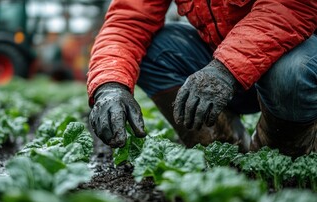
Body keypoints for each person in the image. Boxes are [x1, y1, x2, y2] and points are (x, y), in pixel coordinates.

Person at [87, 0, 317, 158]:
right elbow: (128, 22)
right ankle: (226, 158)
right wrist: (109, 85)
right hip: (223, 65)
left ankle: (283, 164)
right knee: (154, 50)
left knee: (293, 72)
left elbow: (290, 7)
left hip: (289, 56)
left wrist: (227, 69)